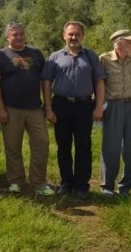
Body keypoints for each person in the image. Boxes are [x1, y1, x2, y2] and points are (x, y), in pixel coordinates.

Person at [42, 21, 105, 200]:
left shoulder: (91, 56)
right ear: (64, 36)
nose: (74, 37)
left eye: (77, 34)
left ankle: (81, 185)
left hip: (84, 106)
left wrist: (99, 106)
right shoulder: (54, 57)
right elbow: (46, 83)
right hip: (60, 105)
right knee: (63, 146)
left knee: (83, 146)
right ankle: (66, 182)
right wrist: (48, 108)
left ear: (83, 36)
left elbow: (100, 82)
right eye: (70, 34)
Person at [0, 21, 54, 196]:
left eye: (21, 34)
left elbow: (45, 81)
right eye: (14, 34)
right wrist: (1, 109)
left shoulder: (36, 53)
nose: (18, 37)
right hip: (11, 109)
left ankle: (39, 182)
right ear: (7, 37)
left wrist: (48, 107)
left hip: (35, 109)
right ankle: (16, 181)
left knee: (42, 144)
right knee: (13, 147)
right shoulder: (0, 56)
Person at [99, 29, 131, 198]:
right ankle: (107, 186)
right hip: (112, 106)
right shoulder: (104, 59)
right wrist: (99, 105)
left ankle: (125, 187)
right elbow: (97, 82)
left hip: (130, 107)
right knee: (111, 147)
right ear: (119, 44)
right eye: (130, 42)